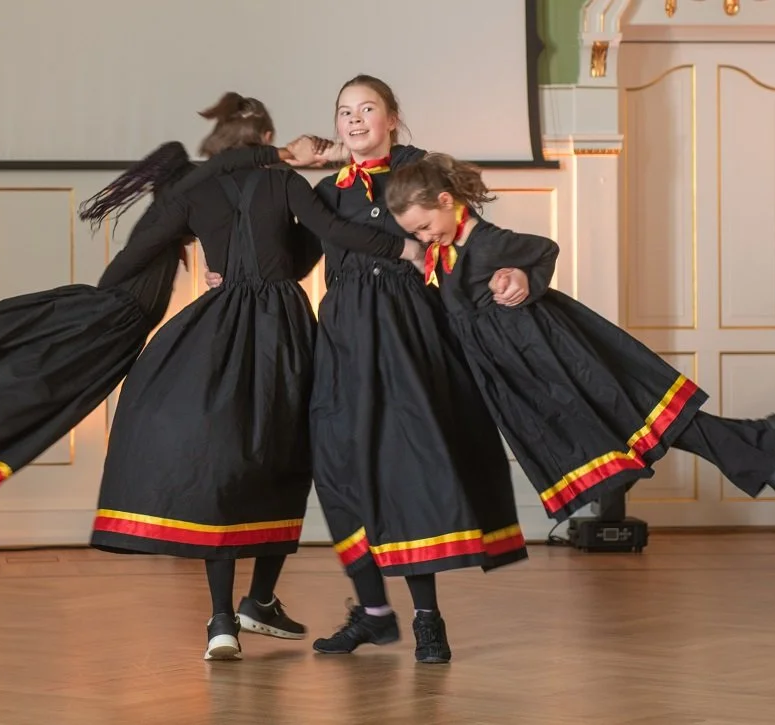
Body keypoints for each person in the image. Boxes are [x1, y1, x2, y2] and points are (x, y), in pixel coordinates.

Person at [87, 92, 427, 662]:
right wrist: (403, 246)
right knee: (286, 458)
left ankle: (224, 618)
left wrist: (97, 303)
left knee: (223, 465)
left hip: (215, 327)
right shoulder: (286, 183)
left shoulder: (190, 191)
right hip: (282, 327)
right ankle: (259, 599)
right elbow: (327, 240)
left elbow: (134, 253)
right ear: (266, 141)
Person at [203, 76, 530, 665]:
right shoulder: (325, 190)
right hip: (342, 335)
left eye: (367, 109)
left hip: (405, 329)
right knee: (334, 469)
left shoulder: (416, 170)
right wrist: (231, 270)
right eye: (344, 111)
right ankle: (375, 611)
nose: (354, 120)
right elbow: (296, 257)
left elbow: (463, 230)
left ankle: (428, 619)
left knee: (401, 468)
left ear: (392, 118)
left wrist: (509, 275)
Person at [0, 139, 316, 492]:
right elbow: (118, 274)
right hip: (100, 325)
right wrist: (277, 152)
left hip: (105, 333)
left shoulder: (178, 225)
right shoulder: (173, 214)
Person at [384, 153, 775, 522]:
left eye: (423, 227)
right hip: (520, 368)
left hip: (553, 355)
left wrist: (523, 278)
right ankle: (758, 448)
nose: (422, 238)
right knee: (631, 423)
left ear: (445, 201)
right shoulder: (448, 251)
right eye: (415, 233)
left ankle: (761, 450)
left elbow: (543, 250)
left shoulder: (489, 243)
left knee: (637, 417)